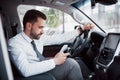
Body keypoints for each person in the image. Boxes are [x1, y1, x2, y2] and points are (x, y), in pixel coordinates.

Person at [8, 9, 93, 80]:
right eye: (40, 27)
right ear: (29, 26)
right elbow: (25, 70)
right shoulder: (15, 43)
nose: (43, 31)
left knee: (75, 62)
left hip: (42, 68)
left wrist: (81, 29)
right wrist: (54, 61)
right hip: (32, 76)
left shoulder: (38, 38)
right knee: (72, 64)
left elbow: (59, 38)